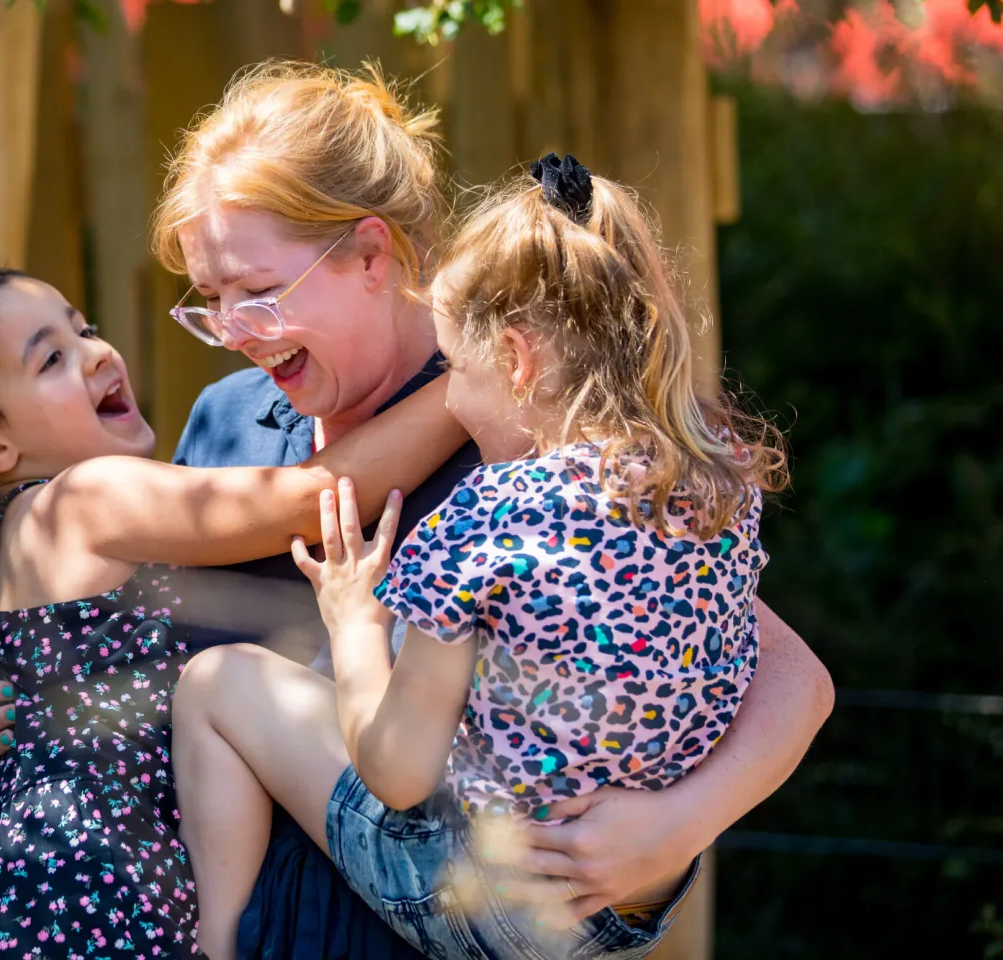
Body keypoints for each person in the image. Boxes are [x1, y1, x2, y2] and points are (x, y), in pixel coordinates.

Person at [0, 62, 835, 960]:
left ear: (370, 254)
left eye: (258, 291)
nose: (238, 329)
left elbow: (782, 671)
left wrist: (676, 826)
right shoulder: (226, 424)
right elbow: (152, 655)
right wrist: (4, 702)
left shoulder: (520, 431)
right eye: (211, 304)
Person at [174, 154, 791, 960]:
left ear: (515, 359)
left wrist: (356, 621)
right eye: (209, 301)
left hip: (469, 894)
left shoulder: (486, 518)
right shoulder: (705, 492)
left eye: (456, 373)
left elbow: (396, 773)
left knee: (218, 683)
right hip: (609, 919)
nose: (452, 405)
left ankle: (212, 946)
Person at [0, 268, 469, 959]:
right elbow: (313, 498)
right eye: (51, 359)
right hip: (77, 904)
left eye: (85, 329)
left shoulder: (38, 539)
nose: (97, 353)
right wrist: (476, 381)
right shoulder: (82, 499)